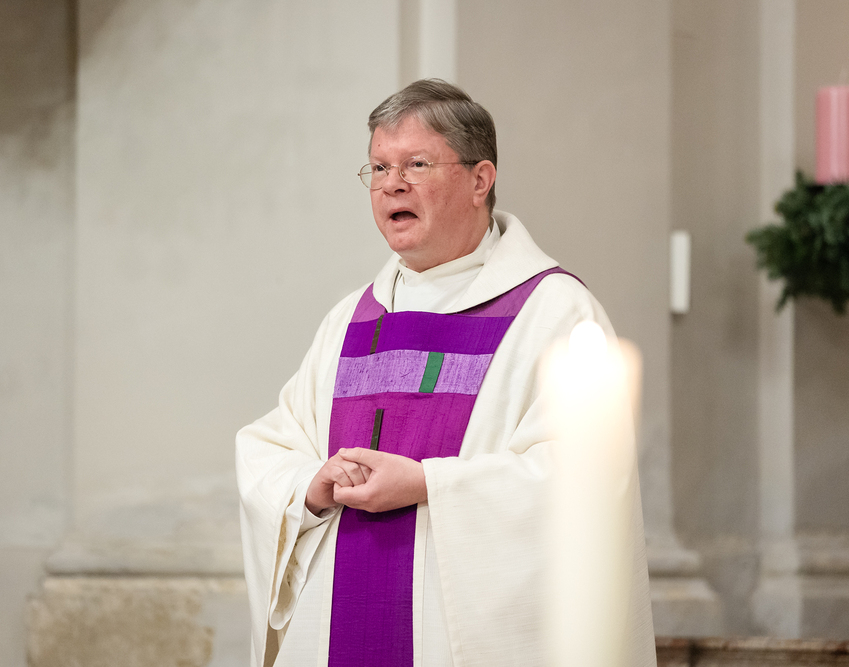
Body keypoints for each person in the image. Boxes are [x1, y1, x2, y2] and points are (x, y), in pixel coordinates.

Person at [236, 78, 656, 667]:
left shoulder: (555, 313)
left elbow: (586, 478)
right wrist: (313, 484)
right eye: (379, 168)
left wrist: (428, 484)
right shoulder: (352, 319)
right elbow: (272, 447)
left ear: (480, 180)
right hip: (338, 626)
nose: (392, 184)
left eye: (416, 164)